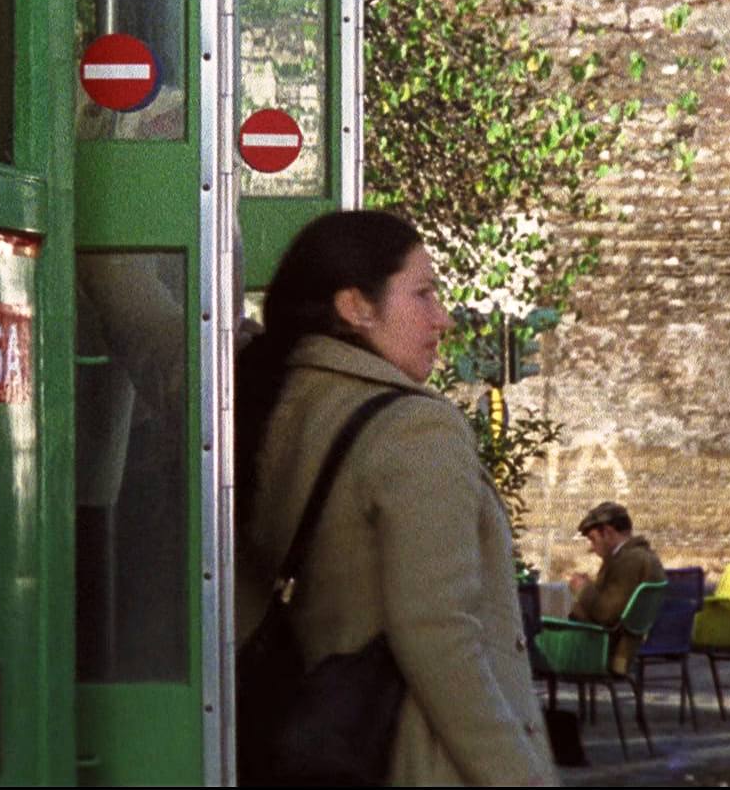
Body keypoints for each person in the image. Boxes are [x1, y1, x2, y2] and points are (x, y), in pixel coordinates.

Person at [235, 211, 557, 786]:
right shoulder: (415, 430)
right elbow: (439, 634)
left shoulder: (276, 406)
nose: (443, 320)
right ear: (356, 307)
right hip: (422, 760)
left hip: (329, 747)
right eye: (423, 294)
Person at [566, 501, 665, 674]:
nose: (592, 547)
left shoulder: (629, 561)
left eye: (593, 539)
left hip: (609, 649)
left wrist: (583, 589)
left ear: (608, 532)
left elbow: (606, 614)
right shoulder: (642, 556)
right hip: (622, 645)